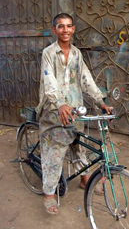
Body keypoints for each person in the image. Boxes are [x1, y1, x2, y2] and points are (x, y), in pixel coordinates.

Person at [35, 13, 112, 215]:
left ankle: (84, 177)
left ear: (74, 29)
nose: (65, 30)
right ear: (54, 30)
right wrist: (60, 103)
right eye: (61, 26)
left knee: (79, 143)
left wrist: (99, 101)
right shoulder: (48, 53)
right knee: (55, 151)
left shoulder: (77, 54)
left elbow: (86, 79)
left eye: (69, 26)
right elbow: (49, 80)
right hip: (54, 110)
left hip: (75, 108)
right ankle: (49, 194)